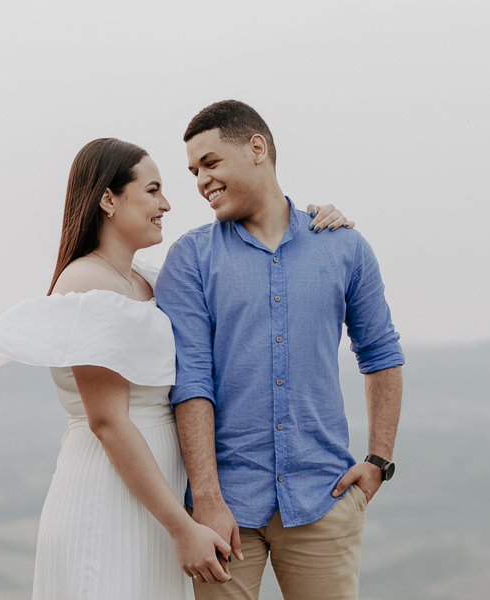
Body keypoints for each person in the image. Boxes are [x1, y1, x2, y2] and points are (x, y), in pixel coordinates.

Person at [0, 137, 354, 600]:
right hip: (112, 492)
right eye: (152, 190)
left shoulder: (146, 279)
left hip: (156, 499)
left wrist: (313, 223)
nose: (167, 203)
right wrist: (181, 526)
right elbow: (108, 422)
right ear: (108, 199)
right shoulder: (87, 283)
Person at [154, 100, 404, 600]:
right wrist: (205, 498)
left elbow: (380, 354)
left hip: (323, 498)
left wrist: (379, 460)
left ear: (257, 148)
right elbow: (192, 381)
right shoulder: (191, 258)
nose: (201, 181)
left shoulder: (343, 247)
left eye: (210, 163)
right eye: (193, 172)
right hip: (223, 512)